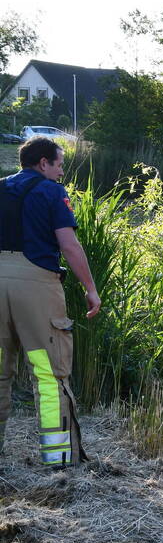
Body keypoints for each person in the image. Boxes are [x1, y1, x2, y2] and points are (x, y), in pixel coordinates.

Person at [0, 137, 101, 468]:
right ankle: (57, 458)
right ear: (43, 163)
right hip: (36, 286)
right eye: (58, 165)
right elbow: (69, 244)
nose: (60, 172)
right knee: (46, 374)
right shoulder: (52, 192)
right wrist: (90, 287)